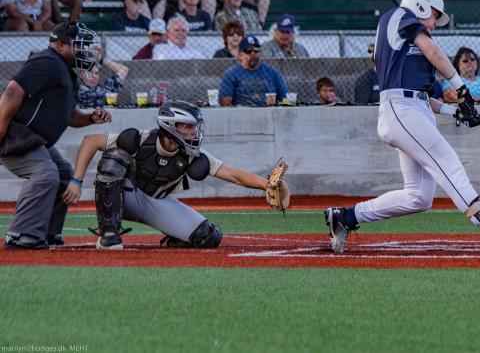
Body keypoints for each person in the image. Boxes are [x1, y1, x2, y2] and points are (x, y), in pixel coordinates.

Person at [323, 0, 480, 255]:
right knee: (450, 166)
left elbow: (422, 97)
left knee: (418, 197)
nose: (434, 25)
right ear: (420, 6)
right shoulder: (398, 16)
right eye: (433, 17)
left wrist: (456, 112)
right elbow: (432, 53)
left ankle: (346, 217)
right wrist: (461, 87)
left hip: (411, 112)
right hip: (402, 111)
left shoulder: (408, 47)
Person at [61, 100, 279, 249]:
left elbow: (232, 174)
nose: (195, 132)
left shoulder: (193, 155)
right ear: (171, 126)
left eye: (195, 127)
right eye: (188, 127)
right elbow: (91, 141)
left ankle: (174, 238)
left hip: (156, 201)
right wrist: (75, 181)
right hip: (125, 196)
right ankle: (109, 235)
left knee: (208, 237)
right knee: (115, 158)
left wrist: (268, 185)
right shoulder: (141, 139)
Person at [0, 21, 110, 250]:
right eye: (79, 46)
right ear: (59, 45)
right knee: (45, 173)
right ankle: (21, 234)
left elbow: (69, 116)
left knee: (62, 174)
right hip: (17, 135)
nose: (85, 51)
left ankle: (48, 231)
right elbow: (12, 91)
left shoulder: (64, 69)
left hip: (34, 139)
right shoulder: (47, 61)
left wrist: (90, 118)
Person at [219, 35, 288, 106]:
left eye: (256, 50)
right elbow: (225, 102)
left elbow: (285, 99)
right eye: (248, 51)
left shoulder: (272, 73)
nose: (253, 53)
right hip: (242, 112)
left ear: (260, 53)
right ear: (240, 55)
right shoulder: (231, 74)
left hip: (268, 112)